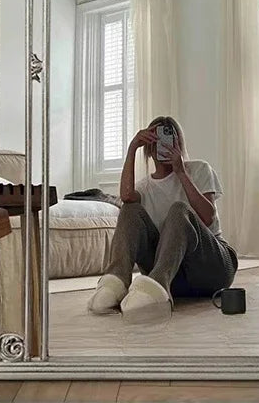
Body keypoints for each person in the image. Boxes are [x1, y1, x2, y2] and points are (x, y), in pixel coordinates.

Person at [86, 115, 238, 323]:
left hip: (211, 268)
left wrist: (181, 172)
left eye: (169, 139)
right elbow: (126, 196)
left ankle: (156, 287)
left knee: (179, 210)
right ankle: (116, 282)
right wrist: (132, 148)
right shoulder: (144, 187)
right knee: (130, 208)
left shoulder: (199, 169)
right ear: (149, 148)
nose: (163, 145)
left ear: (179, 143)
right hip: (172, 276)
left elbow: (207, 217)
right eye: (156, 140)